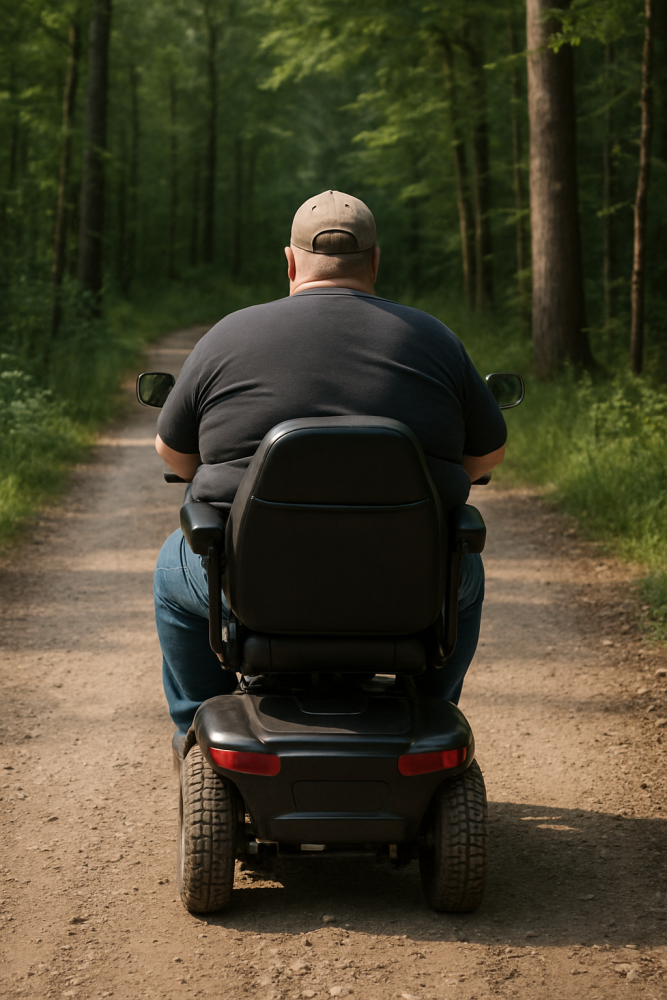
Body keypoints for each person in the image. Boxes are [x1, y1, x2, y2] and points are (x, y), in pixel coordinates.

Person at [153, 190, 507, 755]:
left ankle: (196, 731)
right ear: (375, 261)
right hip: (408, 586)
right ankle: (430, 712)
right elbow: (486, 458)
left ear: (290, 262)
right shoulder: (434, 340)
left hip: (251, 587)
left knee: (173, 573)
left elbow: (174, 456)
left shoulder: (227, 336)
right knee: (466, 574)